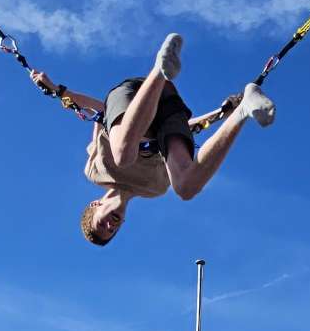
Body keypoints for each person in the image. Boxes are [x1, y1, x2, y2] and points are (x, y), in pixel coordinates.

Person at [29, 33, 274, 246]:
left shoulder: (95, 172)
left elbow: (101, 112)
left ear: (94, 206)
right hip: (167, 107)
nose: (110, 226)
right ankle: (246, 108)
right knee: (185, 188)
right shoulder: (155, 188)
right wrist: (222, 113)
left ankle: (160, 68)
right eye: (112, 231)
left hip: (132, 96)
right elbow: (185, 129)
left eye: (101, 225)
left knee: (123, 155)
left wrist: (60, 91)